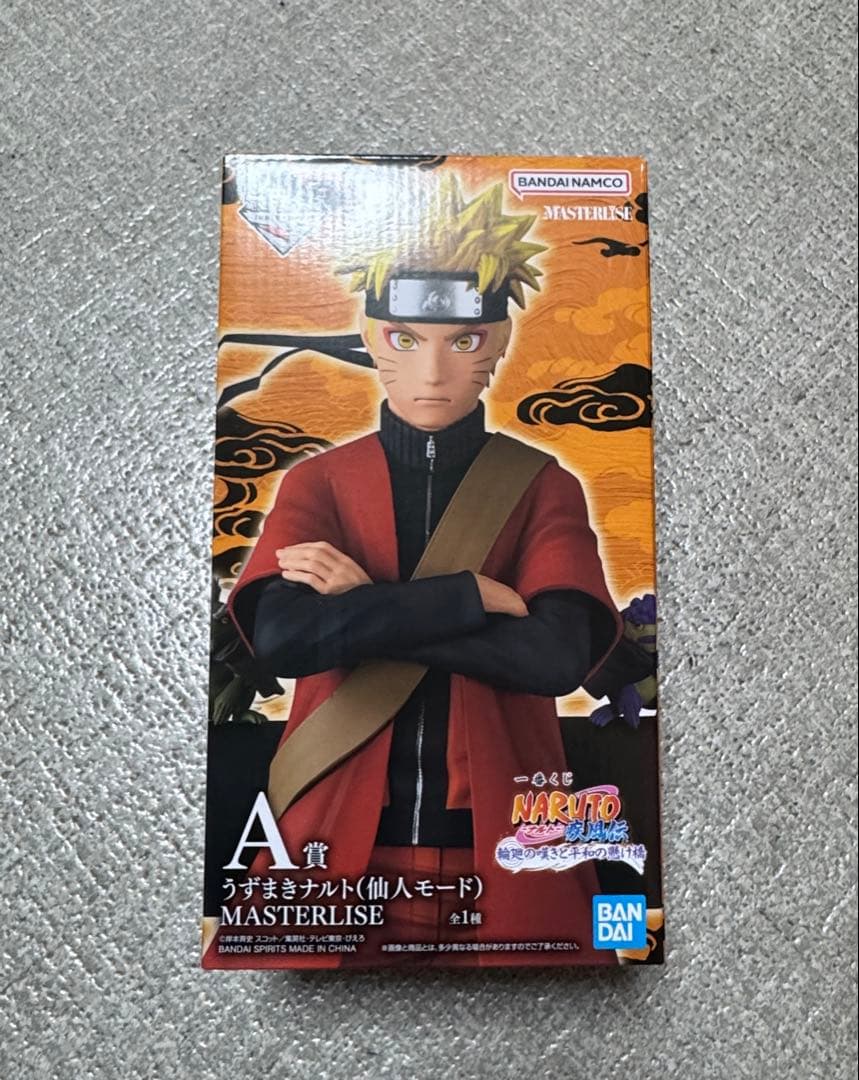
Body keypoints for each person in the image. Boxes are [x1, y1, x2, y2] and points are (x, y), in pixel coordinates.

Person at [217, 177, 622, 967]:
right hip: (331, 834)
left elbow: (554, 657)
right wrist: (468, 598)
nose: (433, 371)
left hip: (510, 842)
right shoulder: (319, 482)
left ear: (498, 341)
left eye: (462, 342)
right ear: (370, 337)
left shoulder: (541, 484)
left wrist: (367, 604)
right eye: (406, 338)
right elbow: (284, 639)